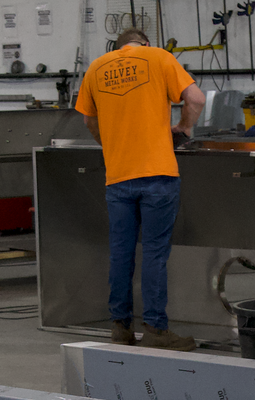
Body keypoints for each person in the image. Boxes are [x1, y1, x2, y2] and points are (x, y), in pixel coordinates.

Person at [75, 27, 207, 350]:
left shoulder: (96, 68)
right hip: (158, 175)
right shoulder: (159, 57)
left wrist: (110, 145)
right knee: (154, 253)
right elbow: (196, 98)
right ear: (145, 44)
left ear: (118, 48)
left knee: (120, 253)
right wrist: (184, 128)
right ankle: (155, 330)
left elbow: (88, 121)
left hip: (118, 177)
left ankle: (120, 328)